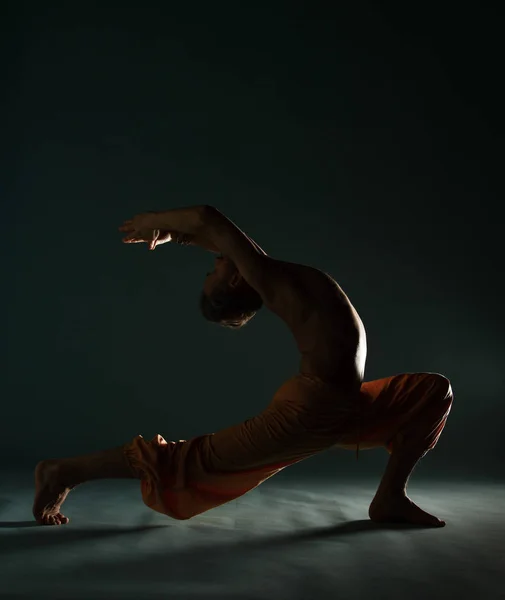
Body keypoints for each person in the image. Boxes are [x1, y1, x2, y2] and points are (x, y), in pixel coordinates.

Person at [32, 205, 453, 527]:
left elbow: (221, 236)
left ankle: (390, 498)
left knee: (431, 391)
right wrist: (158, 222)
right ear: (237, 281)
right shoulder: (274, 281)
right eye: (214, 269)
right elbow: (209, 220)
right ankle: (64, 472)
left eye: (213, 265)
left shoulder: (274, 274)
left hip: (346, 408)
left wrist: (171, 233)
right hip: (309, 413)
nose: (216, 260)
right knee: (187, 461)